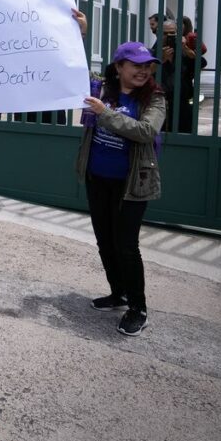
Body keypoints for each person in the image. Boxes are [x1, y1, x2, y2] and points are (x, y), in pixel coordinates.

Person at [76, 41, 166, 337]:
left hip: (132, 185)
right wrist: (81, 32)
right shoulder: (101, 88)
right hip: (98, 178)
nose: (143, 71)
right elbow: (72, 66)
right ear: (119, 67)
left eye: (147, 65)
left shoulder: (154, 98)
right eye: (136, 65)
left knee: (127, 246)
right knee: (105, 240)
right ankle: (118, 294)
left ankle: (138, 309)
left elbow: (145, 132)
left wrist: (105, 113)